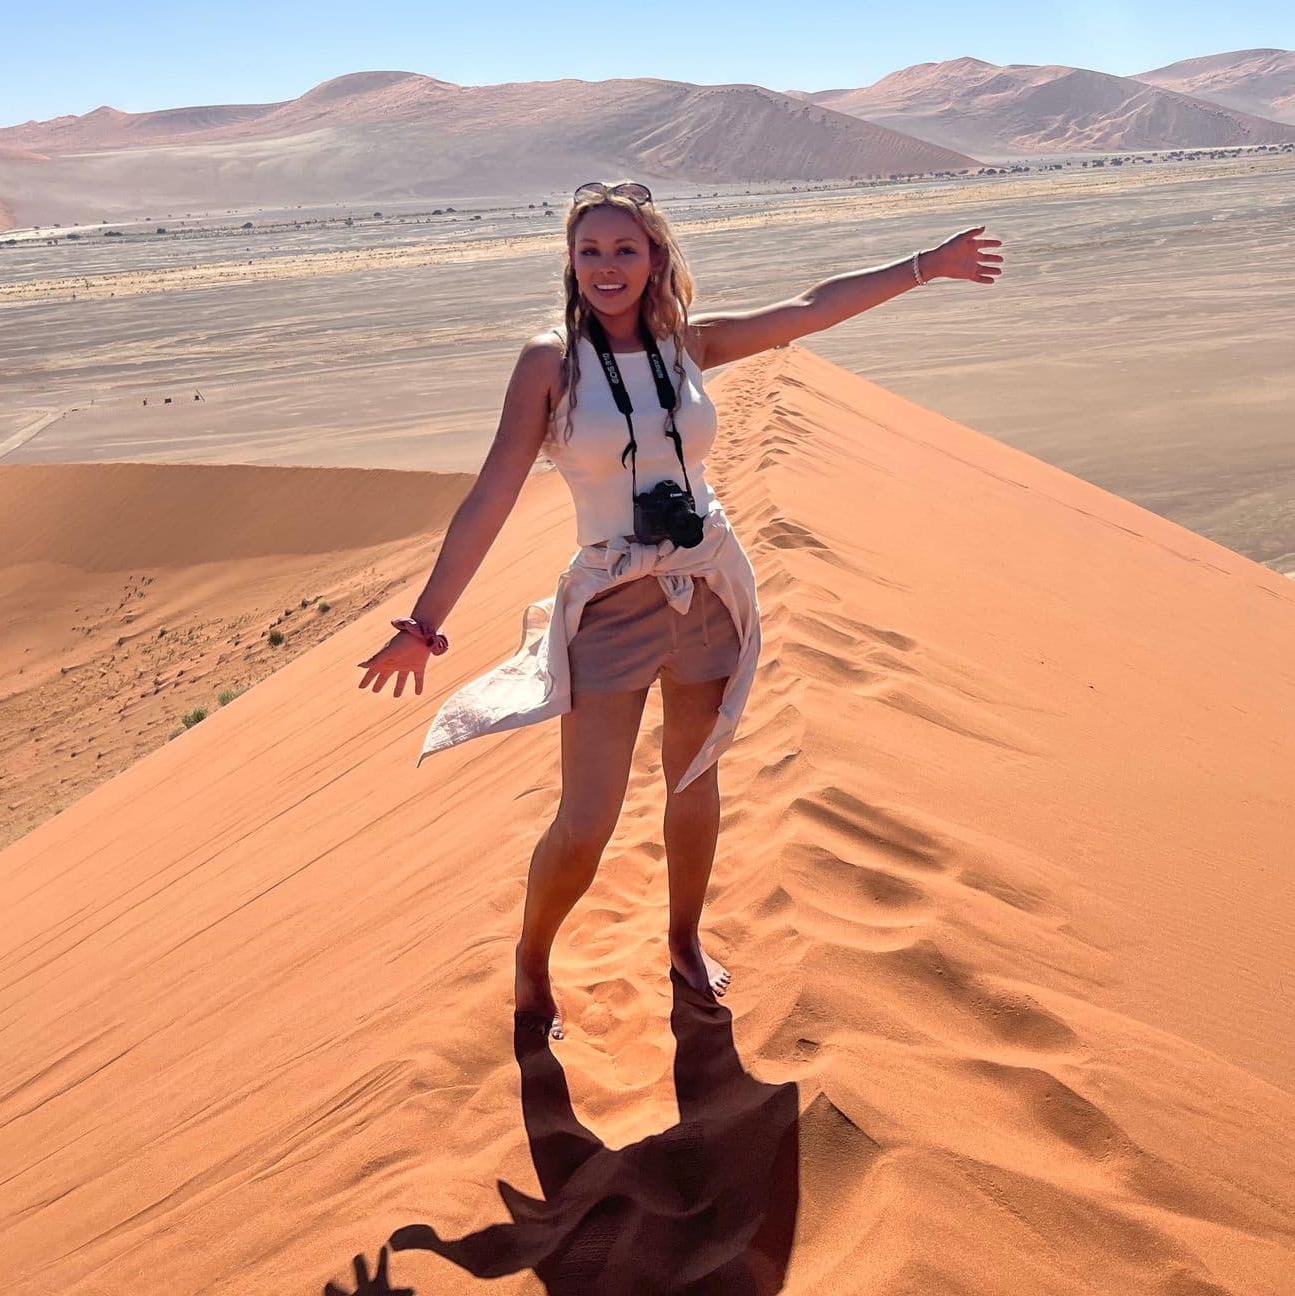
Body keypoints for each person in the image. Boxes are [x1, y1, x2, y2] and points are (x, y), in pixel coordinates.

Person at [357, 180, 1004, 1038]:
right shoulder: (550, 364)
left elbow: (810, 309)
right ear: (571, 263)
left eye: (625, 249)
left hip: (704, 588)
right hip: (610, 605)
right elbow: (492, 493)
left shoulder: (684, 346)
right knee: (586, 822)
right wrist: (425, 621)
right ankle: (531, 957)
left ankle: (683, 940)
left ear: (655, 256)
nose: (606, 267)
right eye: (590, 251)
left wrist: (927, 266)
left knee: (696, 786)